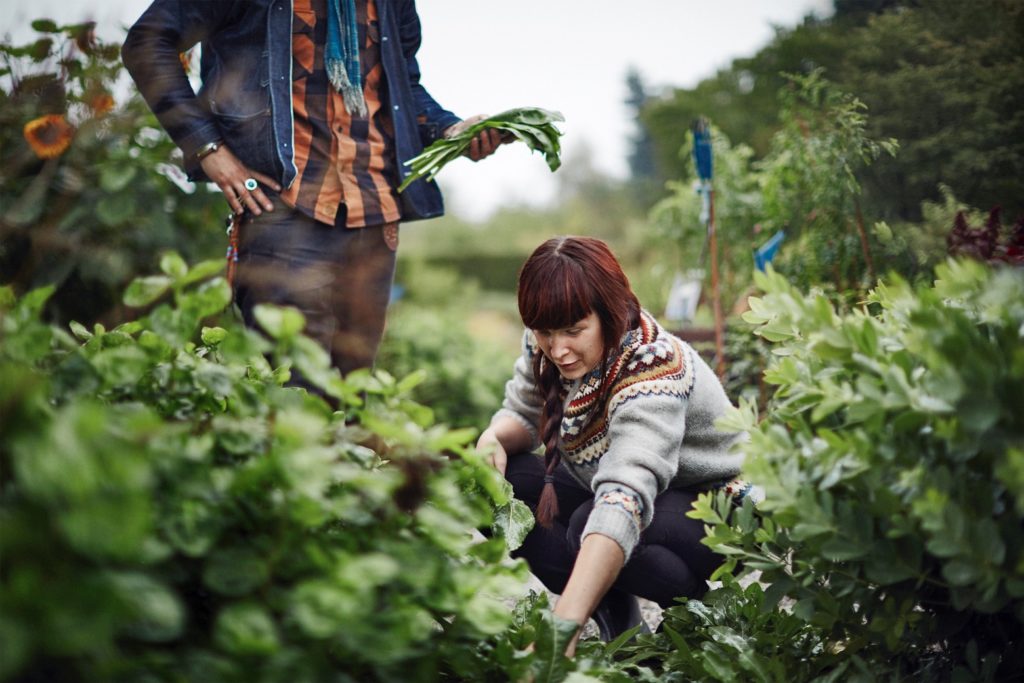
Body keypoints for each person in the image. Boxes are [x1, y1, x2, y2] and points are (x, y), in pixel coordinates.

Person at [122, 0, 502, 381]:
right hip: (285, 214)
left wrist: (451, 130)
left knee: (353, 399)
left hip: (374, 215)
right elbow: (147, 42)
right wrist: (208, 149)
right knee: (297, 397)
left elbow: (402, 87)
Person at [477, 236, 755, 653]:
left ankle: (694, 609)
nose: (558, 349)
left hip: (720, 508)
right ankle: (614, 611)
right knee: (497, 484)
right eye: (545, 332)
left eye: (573, 331)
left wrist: (560, 631)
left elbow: (625, 494)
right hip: (638, 496)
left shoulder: (652, 368)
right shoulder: (546, 343)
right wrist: (491, 438)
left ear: (608, 314)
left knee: (591, 519)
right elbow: (522, 414)